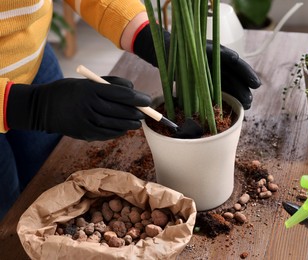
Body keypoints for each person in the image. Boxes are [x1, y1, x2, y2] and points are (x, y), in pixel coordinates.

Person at [0, 0, 261, 220]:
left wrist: (150, 38)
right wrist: (28, 107)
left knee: (49, 183)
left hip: (31, 58)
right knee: (8, 213)